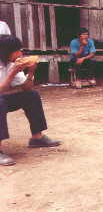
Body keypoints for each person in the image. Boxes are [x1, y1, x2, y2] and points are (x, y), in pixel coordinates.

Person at [0, 35, 61, 166]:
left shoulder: (13, 63)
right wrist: (12, 73)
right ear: (5, 52)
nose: (20, 53)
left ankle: (37, 137)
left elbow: (26, 87)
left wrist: (31, 72)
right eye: (17, 50)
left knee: (31, 95)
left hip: (3, 99)